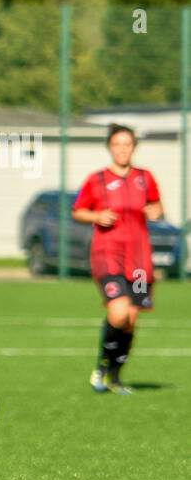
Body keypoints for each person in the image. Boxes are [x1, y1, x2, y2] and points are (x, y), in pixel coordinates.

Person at [72, 124, 164, 395]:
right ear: (110, 147)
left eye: (127, 144)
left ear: (134, 147)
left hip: (139, 260)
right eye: (117, 144)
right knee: (119, 311)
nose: (123, 149)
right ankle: (101, 367)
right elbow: (78, 211)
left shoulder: (145, 178)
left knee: (132, 319)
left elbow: (157, 206)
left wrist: (156, 211)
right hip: (108, 255)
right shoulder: (97, 179)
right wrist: (97, 216)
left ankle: (115, 375)